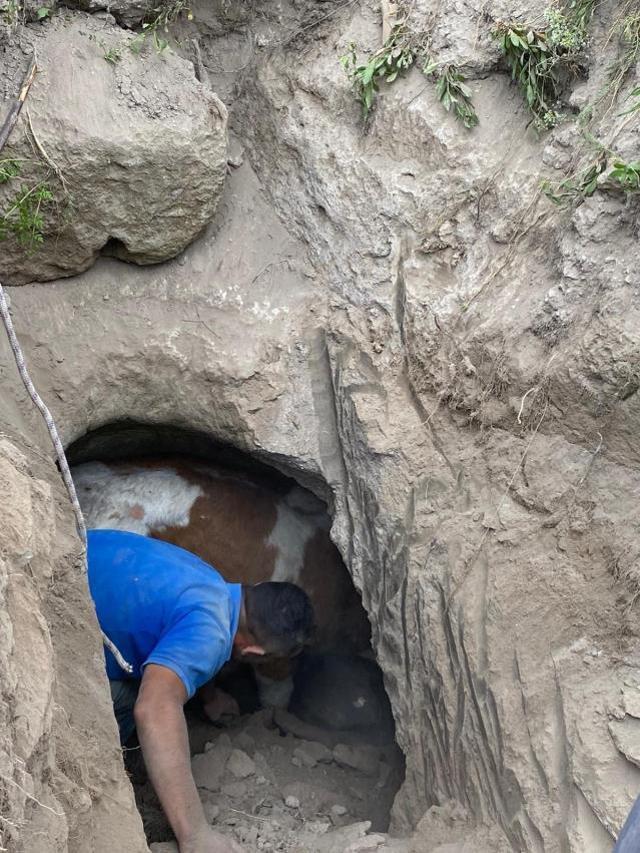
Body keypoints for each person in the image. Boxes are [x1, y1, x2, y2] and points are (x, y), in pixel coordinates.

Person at [87, 528, 314, 853]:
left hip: (70, 556)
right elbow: (153, 708)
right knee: (132, 698)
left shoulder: (212, 583)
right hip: (54, 616)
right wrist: (197, 835)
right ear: (253, 652)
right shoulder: (211, 635)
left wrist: (208, 695)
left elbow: (183, 633)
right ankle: (102, 777)